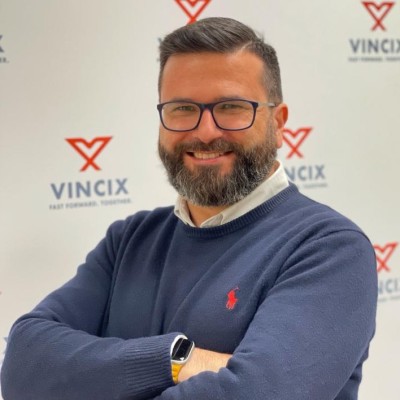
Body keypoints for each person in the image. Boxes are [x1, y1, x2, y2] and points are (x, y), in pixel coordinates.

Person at [1, 17, 377, 400]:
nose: (205, 131)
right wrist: (175, 358)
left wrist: (98, 378)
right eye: (182, 108)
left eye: (231, 107)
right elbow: (22, 368)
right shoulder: (128, 241)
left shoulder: (329, 249)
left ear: (278, 124)